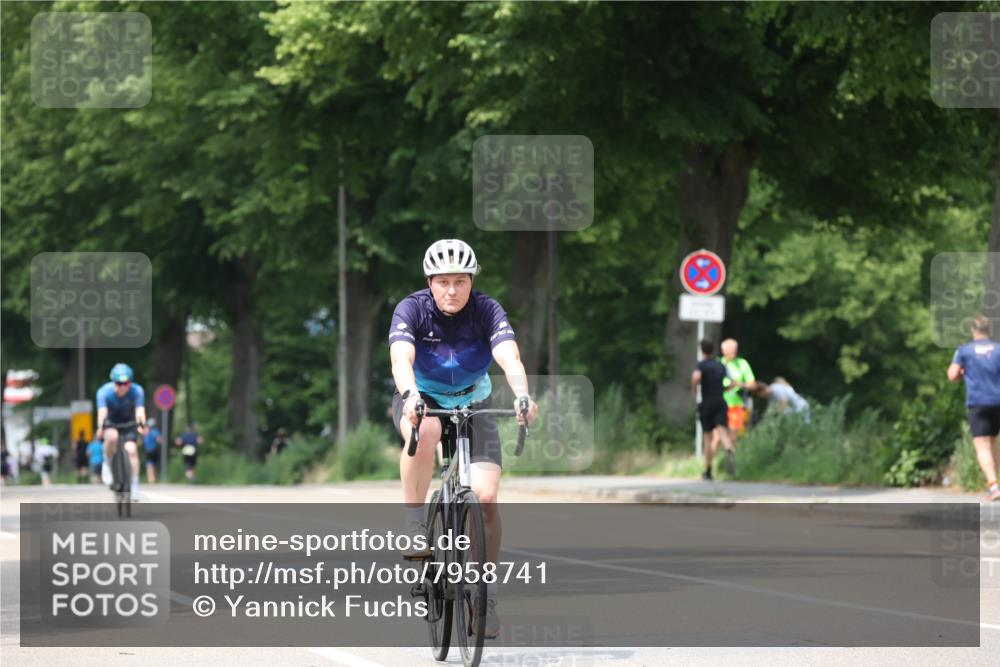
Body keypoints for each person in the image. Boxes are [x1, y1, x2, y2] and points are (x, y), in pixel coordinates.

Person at [388, 238, 538, 638]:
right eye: (442, 282)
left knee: (486, 498)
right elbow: (400, 359)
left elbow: (509, 357)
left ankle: (483, 593)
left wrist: (523, 394)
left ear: (472, 281)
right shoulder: (412, 309)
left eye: (460, 281)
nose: (451, 290)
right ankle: (415, 522)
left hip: (475, 404)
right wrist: (410, 396)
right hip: (421, 400)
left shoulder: (487, 310)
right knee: (429, 430)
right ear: (429, 282)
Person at [947, 314, 1000, 501]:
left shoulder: (964, 351)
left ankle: (993, 485)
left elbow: (952, 375)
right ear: (988, 330)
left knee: (982, 445)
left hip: (978, 402)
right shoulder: (998, 349)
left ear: (972, 330)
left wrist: (962, 372)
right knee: (993, 442)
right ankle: (996, 482)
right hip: (998, 401)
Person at [96, 363, 147, 500]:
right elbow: (102, 412)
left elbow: (140, 410)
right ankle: (107, 463)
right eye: (119, 383)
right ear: (114, 382)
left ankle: (134, 486)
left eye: (126, 383)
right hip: (111, 421)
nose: (123, 387)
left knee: (131, 450)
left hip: (129, 422)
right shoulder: (104, 392)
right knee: (112, 438)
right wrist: (100, 428)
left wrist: (141, 425)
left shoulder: (137, 390)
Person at [691, 338, 735, 479]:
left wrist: (693, 390)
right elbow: (733, 382)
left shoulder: (701, 365)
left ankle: (708, 470)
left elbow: (696, 377)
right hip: (721, 401)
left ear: (702, 350)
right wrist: (723, 389)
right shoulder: (721, 365)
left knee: (708, 438)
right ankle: (729, 450)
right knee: (722, 432)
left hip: (707, 402)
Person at [720, 338, 756, 436]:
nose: (734, 351)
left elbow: (752, 384)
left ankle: (730, 451)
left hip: (736, 405)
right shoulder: (718, 363)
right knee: (718, 435)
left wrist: (740, 384)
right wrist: (726, 387)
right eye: (731, 349)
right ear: (723, 351)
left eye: (735, 349)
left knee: (733, 433)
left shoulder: (742, 363)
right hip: (719, 404)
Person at [143, 418, 162, 483]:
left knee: (149, 464)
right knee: (154, 465)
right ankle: (154, 478)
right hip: (154, 449)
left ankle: (151, 479)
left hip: (149, 450)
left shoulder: (147, 431)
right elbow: (159, 440)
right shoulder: (155, 431)